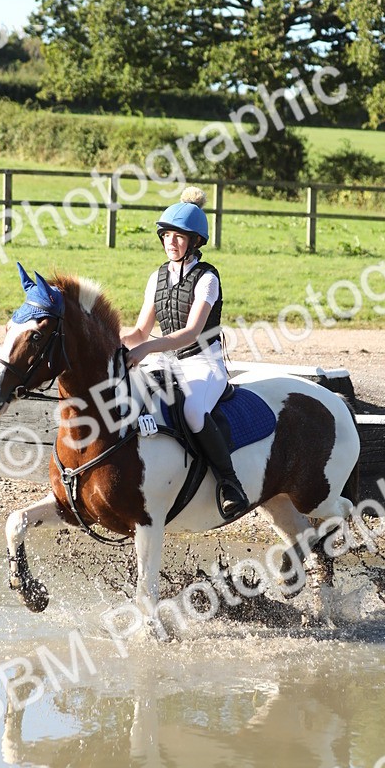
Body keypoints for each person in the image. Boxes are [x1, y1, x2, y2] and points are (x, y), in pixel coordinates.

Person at [120, 186, 250, 520]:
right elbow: (138, 332)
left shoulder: (207, 278)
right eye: (167, 236)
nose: (171, 242)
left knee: (193, 411)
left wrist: (147, 347)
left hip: (203, 362)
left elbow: (190, 332)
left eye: (180, 237)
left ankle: (229, 483)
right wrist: (105, 337)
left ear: (194, 241)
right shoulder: (157, 277)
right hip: (166, 360)